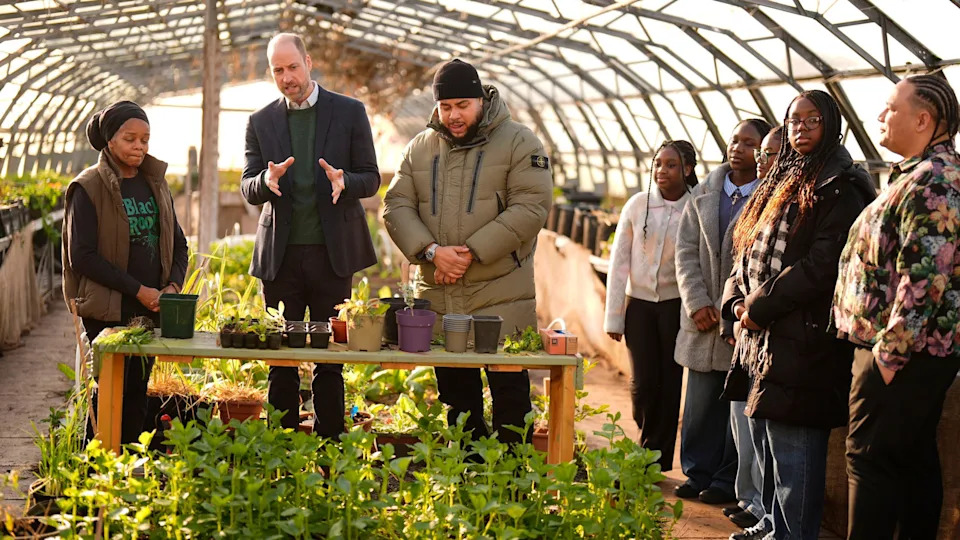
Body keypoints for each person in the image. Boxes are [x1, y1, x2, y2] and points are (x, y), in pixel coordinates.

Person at [720, 90, 875, 540]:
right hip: (763, 339)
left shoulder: (841, 187)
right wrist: (735, 301)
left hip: (804, 341)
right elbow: (745, 249)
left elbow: (821, 265)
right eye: (793, 121)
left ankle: (791, 534)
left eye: (812, 120)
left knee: (794, 452)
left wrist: (760, 307)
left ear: (832, 125)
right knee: (768, 444)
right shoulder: (782, 179)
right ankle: (770, 524)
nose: (801, 129)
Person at [383, 59, 551, 446]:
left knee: (510, 396)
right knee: (457, 401)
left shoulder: (520, 142)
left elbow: (531, 207)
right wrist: (431, 251)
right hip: (440, 295)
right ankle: (468, 481)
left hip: (501, 296)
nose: (453, 115)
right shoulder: (420, 147)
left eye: (462, 105)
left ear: (481, 99)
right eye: (445, 107)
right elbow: (396, 206)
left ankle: (512, 485)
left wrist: (469, 253)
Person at [833, 74, 960, 539]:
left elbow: (924, 279)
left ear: (924, 119)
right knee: (910, 460)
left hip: (902, 352)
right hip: (910, 351)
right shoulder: (917, 174)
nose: (879, 116)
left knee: (868, 460)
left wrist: (888, 356)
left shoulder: (935, 182)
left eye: (890, 108)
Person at [241, 33, 381, 437]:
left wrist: (345, 181)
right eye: (277, 71)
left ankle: (329, 449)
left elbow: (370, 177)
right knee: (280, 361)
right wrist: (267, 181)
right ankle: (279, 448)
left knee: (329, 361)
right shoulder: (260, 121)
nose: (287, 77)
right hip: (279, 259)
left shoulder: (350, 112)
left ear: (309, 60)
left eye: (292, 67)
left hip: (332, 256)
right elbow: (247, 186)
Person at [62, 100, 189, 444]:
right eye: (130, 139)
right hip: (108, 309)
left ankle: (129, 470)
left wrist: (173, 286)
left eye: (145, 139)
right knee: (109, 392)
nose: (139, 147)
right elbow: (82, 256)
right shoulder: (88, 187)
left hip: (150, 307)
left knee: (137, 392)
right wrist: (138, 290)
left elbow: (179, 244)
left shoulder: (155, 183)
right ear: (110, 140)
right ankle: (96, 475)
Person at [674, 119, 771, 516]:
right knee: (698, 406)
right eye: (735, 140)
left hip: (738, 319)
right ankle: (696, 472)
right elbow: (684, 252)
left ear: (763, 153)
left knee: (735, 407)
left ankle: (724, 480)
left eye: (750, 143)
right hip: (702, 319)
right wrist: (697, 302)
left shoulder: (767, 197)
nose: (739, 148)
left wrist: (733, 310)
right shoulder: (704, 193)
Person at [604, 140, 698, 471]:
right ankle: (647, 439)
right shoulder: (637, 204)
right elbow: (618, 263)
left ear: (687, 169)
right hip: (639, 306)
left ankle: (654, 459)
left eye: (671, 164)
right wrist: (614, 317)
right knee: (643, 385)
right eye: (658, 163)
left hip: (676, 307)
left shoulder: (695, 207)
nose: (661, 170)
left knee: (670, 381)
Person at [724, 125, 782, 534]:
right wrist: (734, 305)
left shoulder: (800, 203)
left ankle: (766, 510)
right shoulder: (761, 201)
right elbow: (739, 264)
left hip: (771, 333)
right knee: (745, 424)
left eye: (768, 153)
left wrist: (755, 308)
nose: (762, 161)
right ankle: (756, 503)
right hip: (746, 330)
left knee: (765, 430)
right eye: (761, 154)